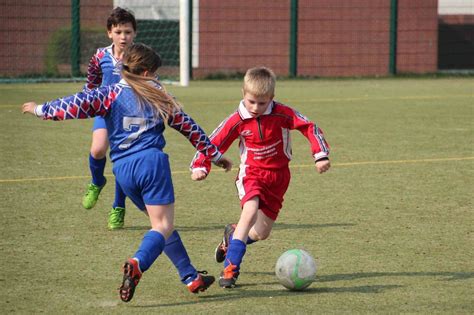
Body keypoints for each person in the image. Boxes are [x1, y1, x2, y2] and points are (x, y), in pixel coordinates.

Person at [22, 43, 233, 302]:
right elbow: (188, 126)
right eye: (154, 73)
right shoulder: (158, 93)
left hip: (123, 170)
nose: (157, 77)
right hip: (151, 164)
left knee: (160, 226)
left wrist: (39, 109)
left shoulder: (109, 93)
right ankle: (137, 263)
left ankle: (190, 276)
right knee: (163, 225)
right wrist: (215, 155)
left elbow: (72, 104)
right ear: (145, 73)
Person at [190, 66, 330, 288]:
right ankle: (231, 268)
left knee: (261, 232)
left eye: (262, 103)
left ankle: (232, 237)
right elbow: (213, 142)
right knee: (250, 211)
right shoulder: (237, 119)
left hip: (279, 177)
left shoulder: (282, 113)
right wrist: (200, 165)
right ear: (243, 94)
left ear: (271, 98)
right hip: (251, 173)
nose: (255, 108)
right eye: (250, 101)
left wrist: (320, 155)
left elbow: (309, 127)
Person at [82, 7, 137, 230]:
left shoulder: (139, 57)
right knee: (97, 150)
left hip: (130, 116)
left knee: (121, 163)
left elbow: (151, 81)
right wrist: (87, 98)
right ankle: (97, 182)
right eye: (118, 32)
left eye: (128, 32)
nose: (123, 36)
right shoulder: (100, 56)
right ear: (109, 33)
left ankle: (118, 207)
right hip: (105, 111)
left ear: (134, 33)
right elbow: (92, 80)